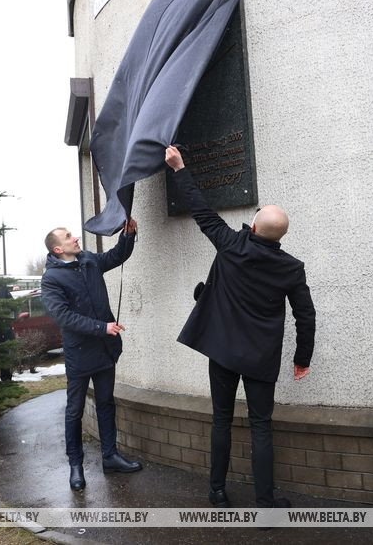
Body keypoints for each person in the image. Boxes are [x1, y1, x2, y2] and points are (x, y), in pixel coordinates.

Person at [165, 145, 316, 509]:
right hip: (260, 358)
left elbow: (201, 210)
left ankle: (217, 491)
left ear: (255, 226)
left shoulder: (231, 244)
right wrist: (302, 359)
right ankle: (265, 503)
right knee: (261, 426)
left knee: (221, 420)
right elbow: (306, 315)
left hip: (222, 352)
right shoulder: (291, 268)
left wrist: (179, 168)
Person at [41, 221, 142, 491]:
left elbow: (116, 256)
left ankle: (110, 457)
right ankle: (76, 465)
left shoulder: (88, 260)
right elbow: (63, 317)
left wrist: (128, 235)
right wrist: (102, 327)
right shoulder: (51, 279)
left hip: (105, 350)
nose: (75, 238)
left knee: (106, 403)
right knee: (74, 411)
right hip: (80, 355)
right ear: (58, 249)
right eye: (68, 236)